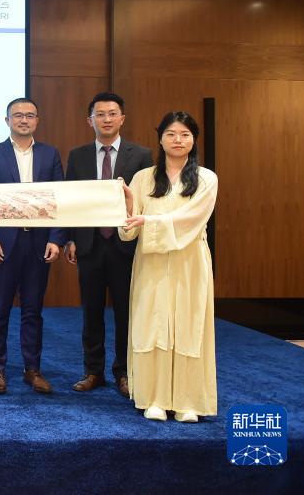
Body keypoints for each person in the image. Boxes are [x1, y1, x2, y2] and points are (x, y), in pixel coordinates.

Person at [119, 111, 218, 423]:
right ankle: (154, 398)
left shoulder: (206, 178)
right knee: (153, 323)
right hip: (151, 262)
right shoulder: (143, 178)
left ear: (194, 140)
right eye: (171, 134)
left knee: (189, 325)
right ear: (160, 139)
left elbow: (192, 219)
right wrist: (125, 208)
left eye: (185, 134)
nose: (178, 140)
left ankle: (189, 401)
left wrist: (147, 220)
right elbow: (128, 231)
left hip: (190, 262)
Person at [64, 92, 152, 398]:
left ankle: (124, 372)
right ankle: (93, 371)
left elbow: (147, 200)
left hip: (125, 245)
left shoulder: (141, 155)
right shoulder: (77, 156)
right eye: (100, 114)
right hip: (89, 245)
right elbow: (71, 200)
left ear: (122, 119)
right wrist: (70, 238)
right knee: (91, 312)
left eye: (112, 113)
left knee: (126, 312)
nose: (106, 119)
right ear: (90, 121)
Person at [0, 97, 65, 395]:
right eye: (18, 115)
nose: (24, 120)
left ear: (37, 120)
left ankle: (32, 370)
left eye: (30, 115)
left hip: (39, 244)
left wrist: (56, 238)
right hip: (3, 244)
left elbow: (59, 199)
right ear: (7, 121)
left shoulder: (50, 154)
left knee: (33, 311)